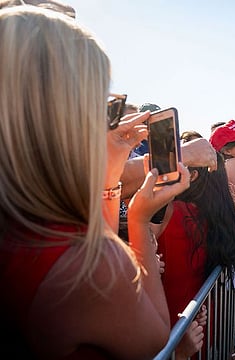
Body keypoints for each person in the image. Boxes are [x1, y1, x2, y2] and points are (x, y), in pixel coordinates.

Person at [0, 6, 199, 358]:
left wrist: (109, 180)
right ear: (66, 114)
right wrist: (138, 221)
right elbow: (155, 340)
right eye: (99, 99)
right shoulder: (87, 269)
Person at [154, 151, 235, 358]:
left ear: (192, 175)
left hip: (171, 325)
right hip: (199, 322)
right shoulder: (215, 217)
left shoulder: (171, 212)